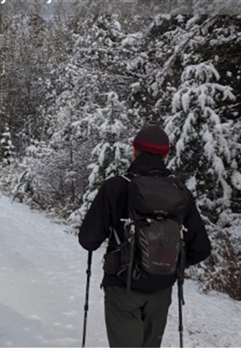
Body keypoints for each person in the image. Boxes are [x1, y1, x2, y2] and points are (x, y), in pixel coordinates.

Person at [78, 125, 211, 347]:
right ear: (166, 154)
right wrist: (167, 262)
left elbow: (88, 240)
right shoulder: (180, 192)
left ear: (134, 151)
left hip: (122, 287)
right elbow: (201, 248)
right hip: (161, 288)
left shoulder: (115, 187)